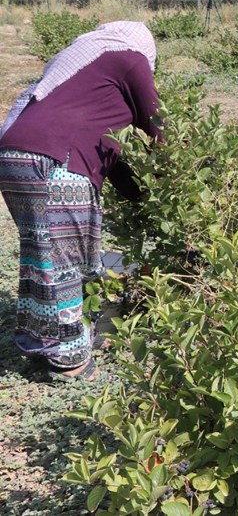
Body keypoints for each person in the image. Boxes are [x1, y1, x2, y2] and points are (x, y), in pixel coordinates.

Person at [0, 21, 161, 381]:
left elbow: (108, 155)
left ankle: (42, 338)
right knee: (66, 262)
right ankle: (71, 361)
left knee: (43, 254)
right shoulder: (130, 57)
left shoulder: (78, 71)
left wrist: (142, 197)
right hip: (56, 162)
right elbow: (158, 129)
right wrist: (180, 180)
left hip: (14, 157)